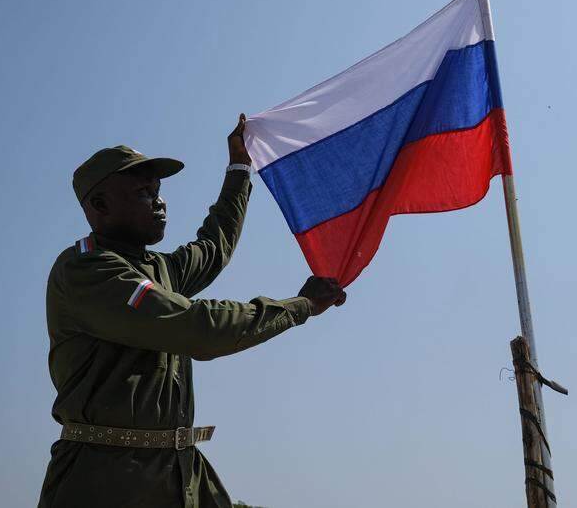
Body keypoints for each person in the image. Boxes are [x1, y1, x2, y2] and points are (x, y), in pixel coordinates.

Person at [38, 115, 346, 507]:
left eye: (158, 190)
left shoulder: (155, 269)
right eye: (143, 192)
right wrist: (299, 307)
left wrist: (239, 168)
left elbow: (214, 246)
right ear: (99, 204)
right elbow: (197, 327)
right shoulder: (86, 270)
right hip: (107, 477)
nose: (159, 200)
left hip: (180, 468)